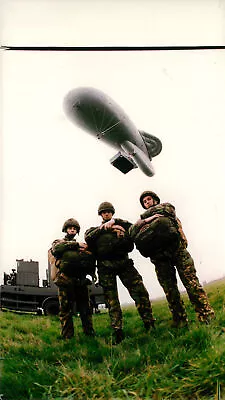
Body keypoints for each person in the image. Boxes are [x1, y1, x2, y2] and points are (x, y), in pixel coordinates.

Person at [130, 191, 215, 327]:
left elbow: (168, 210)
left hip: (178, 252)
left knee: (192, 284)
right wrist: (147, 219)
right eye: (144, 202)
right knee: (170, 291)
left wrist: (145, 219)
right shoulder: (143, 220)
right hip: (160, 258)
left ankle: (206, 315)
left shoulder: (165, 207)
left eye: (149, 199)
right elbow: (132, 232)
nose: (147, 202)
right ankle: (179, 320)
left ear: (155, 200)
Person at [84, 202, 155, 344]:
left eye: (109, 212)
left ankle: (149, 323)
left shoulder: (122, 226)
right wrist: (105, 229)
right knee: (112, 300)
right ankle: (117, 330)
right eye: (103, 212)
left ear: (112, 213)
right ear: (100, 215)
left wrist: (117, 225)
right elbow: (88, 238)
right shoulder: (94, 230)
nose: (106, 214)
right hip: (105, 267)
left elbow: (132, 235)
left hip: (124, 264)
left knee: (140, 292)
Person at [50, 218, 96, 339]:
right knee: (65, 310)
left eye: (74, 228)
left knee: (85, 309)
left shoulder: (82, 246)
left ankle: (89, 334)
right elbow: (56, 249)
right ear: (65, 229)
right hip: (65, 280)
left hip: (80, 281)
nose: (72, 230)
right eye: (70, 228)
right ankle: (67, 337)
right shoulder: (59, 242)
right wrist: (76, 245)